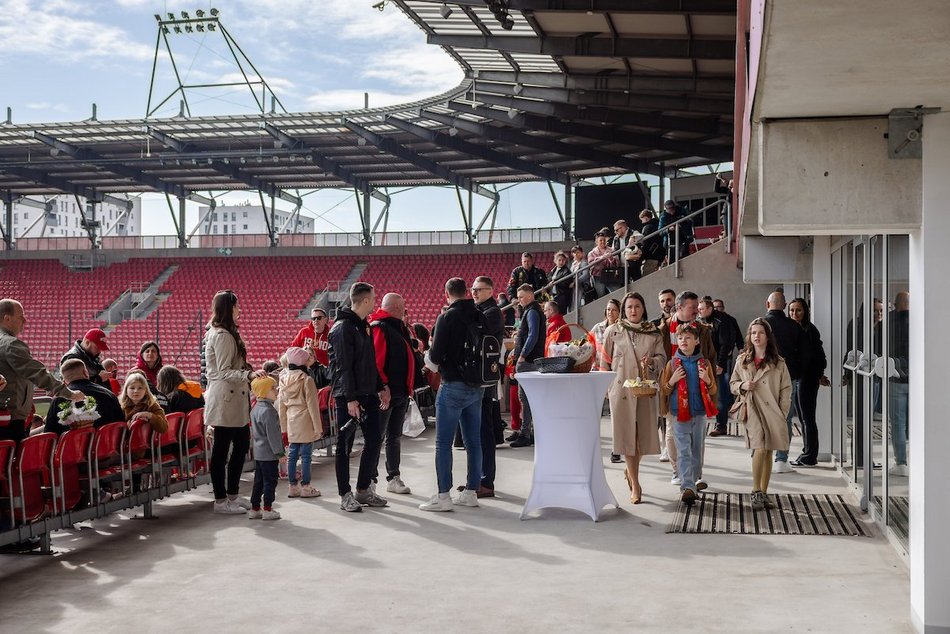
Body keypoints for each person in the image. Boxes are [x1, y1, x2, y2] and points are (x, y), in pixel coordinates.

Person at [419, 277, 485, 512]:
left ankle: (444, 495)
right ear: (467, 292)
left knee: (443, 443)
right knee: (473, 442)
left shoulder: (446, 317)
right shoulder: (479, 315)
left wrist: (427, 356)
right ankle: (471, 492)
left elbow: (435, 358)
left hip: (453, 384)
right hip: (476, 385)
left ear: (447, 293)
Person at [329, 282, 390, 513]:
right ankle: (345, 494)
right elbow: (342, 368)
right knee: (344, 445)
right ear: (365, 300)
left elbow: (369, 363)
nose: (375, 301)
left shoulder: (363, 326)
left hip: (368, 393)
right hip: (349, 397)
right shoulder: (342, 328)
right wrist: (350, 398)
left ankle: (363, 490)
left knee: (374, 440)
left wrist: (380, 386)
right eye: (373, 298)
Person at [204, 290, 266, 515]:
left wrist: (248, 371)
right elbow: (223, 371)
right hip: (225, 399)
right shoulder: (221, 335)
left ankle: (232, 494)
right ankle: (220, 500)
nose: (239, 309)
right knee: (221, 451)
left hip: (234, 399)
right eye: (236, 306)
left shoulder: (227, 333)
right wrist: (247, 376)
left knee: (240, 447)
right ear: (228, 308)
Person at [601, 292, 667, 504]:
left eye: (637, 306)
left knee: (641, 437)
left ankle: (631, 473)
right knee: (627, 436)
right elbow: (604, 361)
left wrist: (651, 363)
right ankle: (636, 484)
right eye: (629, 307)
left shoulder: (653, 332)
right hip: (621, 391)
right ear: (624, 310)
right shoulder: (613, 331)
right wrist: (605, 385)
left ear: (643, 308)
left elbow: (662, 358)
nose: (633, 310)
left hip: (645, 390)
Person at [730, 318, 792, 511]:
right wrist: (742, 385)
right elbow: (732, 384)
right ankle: (756, 490)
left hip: (773, 412)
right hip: (752, 409)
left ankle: (764, 493)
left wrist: (782, 413)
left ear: (768, 336)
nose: (756, 336)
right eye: (753, 332)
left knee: (769, 450)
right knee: (759, 448)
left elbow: (786, 389)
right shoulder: (743, 360)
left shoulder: (779, 362)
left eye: (761, 332)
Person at [0, 299, 83, 443]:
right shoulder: (10, 344)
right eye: (21, 316)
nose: (25, 321)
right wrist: (68, 393)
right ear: (7, 318)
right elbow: (37, 373)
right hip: (10, 419)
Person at [659, 323, 718, 505]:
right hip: (679, 413)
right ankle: (688, 487)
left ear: (697, 341)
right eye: (681, 338)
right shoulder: (672, 364)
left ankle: (693, 479)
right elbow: (664, 390)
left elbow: (714, 389)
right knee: (683, 450)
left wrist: (707, 380)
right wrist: (672, 380)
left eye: (688, 338)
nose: (684, 341)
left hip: (699, 413)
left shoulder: (705, 363)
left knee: (696, 450)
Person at [370, 292, 415, 495]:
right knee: (377, 437)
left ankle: (393, 477)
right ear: (396, 308)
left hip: (400, 393)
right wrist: (383, 387)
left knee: (394, 436)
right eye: (403, 307)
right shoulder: (380, 327)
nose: (404, 311)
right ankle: (369, 481)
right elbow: (377, 362)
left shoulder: (398, 328)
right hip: (386, 394)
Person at [472, 275, 505, 497]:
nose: (474, 292)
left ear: (490, 290)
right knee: (477, 431)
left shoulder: (492, 312)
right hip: (480, 378)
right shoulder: (482, 311)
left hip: (484, 378)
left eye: (479, 289)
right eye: (472, 289)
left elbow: (476, 334)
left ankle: (486, 481)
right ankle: (478, 479)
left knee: (484, 431)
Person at [763, 290, 803, 473]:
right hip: (789, 376)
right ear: (785, 306)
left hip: (764, 378)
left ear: (767, 304)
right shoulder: (794, 326)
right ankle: (781, 459)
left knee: (763, 415)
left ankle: (763, 454)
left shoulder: (761, 325)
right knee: (785, 417)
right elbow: (800, 353)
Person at [278, 346, 323, 499]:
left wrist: (283, 426)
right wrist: (318, 427)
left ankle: (292, 487)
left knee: (292, 456)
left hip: (291, 421)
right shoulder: (307, 380)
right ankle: (306, 487)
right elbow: (313, 406)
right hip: (305, 421)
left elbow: (281, 406)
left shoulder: (283, 379)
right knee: (306, 456)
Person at [788, 298, 828, 467]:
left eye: (798, 310)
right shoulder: (792, 329)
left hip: (808, 378)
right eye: (791, 310)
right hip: (799, 378)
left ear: (805, 311)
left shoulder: (809, 330)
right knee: (803, 418)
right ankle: (807, 453)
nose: (795, 314)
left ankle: (810, 456)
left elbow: (818, 355)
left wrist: (819, 375)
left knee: (808, 418)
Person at [508, 283, 547, 449]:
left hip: (528, 361)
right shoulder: (532, 311)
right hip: (531, 359)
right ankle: (527, 431)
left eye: (522, 297)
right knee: (527, 399)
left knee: (525, 398)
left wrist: (522, 355)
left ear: (530, 296)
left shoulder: (531, 312)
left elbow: (532, 335)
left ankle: (526, 433)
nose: (519, 301)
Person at [45, 359, 124, 434]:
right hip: (107, 446)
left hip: (70, 447)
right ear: (86, 373)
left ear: (64, 381)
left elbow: (49, 434)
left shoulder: (58, 400)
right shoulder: (109, 394)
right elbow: (122, 426)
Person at [700, 297, 742, 437]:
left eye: (701, 309)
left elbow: (726, 344)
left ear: (710, 309)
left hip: (720, 363)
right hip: (705, 362)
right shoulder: (702, 321)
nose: (699, 311)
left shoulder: (722, 321)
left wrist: (720, 363)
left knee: (721, 395)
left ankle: (721, 425)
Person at [248, 376, 283, 520]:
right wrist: (280, 453)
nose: (276, 390)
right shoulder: (269, 411)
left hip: (259, 453)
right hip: (269, 454)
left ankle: (255, 507)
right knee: (270, 481)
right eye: (273, 388)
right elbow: (273, 436)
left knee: (259, 481)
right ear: (263, 391)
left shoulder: (255, 408)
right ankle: (268, 508)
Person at [887, 291, 910, 476]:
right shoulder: (921, 320)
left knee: (898, 423)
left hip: (896, 377)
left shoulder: (889, 322)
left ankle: (901, 463)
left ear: (895, 304)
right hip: (917, 380)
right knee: (917, 422)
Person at [291, 307, 332, 372]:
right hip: (304, 369)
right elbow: (293, 349)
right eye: (313, 318)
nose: (316, 320)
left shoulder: (330, 335)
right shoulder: (304, 332)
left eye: (319, 318)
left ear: (325, 319)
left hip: (321, 372)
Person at [658, 199, 694, 265]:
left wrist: (682, 223)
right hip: (670, 242)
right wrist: (668, 229)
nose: (672, 211)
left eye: (673, 209)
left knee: (684, 257)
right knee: (672, 261)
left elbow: (690, 221)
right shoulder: (663, 216)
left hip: (683, 239)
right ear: (666, 209)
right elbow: (660, 232)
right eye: (669, 210)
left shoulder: (681, 210)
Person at [590, 298, 622, 371]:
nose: (610, 312)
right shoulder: (597, 327)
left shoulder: (622, 330)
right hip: (598, 369)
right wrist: (593, 363)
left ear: (619, 312)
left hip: (616, 369)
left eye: (614, 310)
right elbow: (589, 347)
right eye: (608, 309)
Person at [587, 230, 620, 298]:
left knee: (616, 294)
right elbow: (591, 265)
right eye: (600, 240)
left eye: (604, 240)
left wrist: (611, 259)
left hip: (611, 275)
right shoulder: (591, 253)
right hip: (598, 277)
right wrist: (602, 258)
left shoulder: (611, 250)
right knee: (601, 296)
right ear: (596, 242)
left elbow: (617, 264)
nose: (603, 242)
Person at [637, 209, 665, 276]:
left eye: (642, 220)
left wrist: (642, 254)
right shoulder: (658, 225)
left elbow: (645, 243)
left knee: (646, 276)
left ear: (646, 218)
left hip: (650, 256)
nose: (642, 222)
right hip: (659, 255)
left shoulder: (647, 227)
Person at [549, 250, 573, 315]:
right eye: (559, 260)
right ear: (555, 261)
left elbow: (566, 282)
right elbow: (549, 279)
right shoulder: (553, 270)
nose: (561, 262)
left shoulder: (566, 271)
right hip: (554, 295)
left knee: (561, 314)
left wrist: (555, 282)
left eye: (563, 260)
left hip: (562, 296)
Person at [568, 244, 592, 309]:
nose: (576, 254)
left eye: (578, 252)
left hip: (582, 286)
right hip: (574, 287)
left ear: (582, 253)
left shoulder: (584, 263)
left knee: (579, 302)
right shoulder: (573, 264)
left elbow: (586, 275)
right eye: (574, 253)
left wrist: (575, 282)